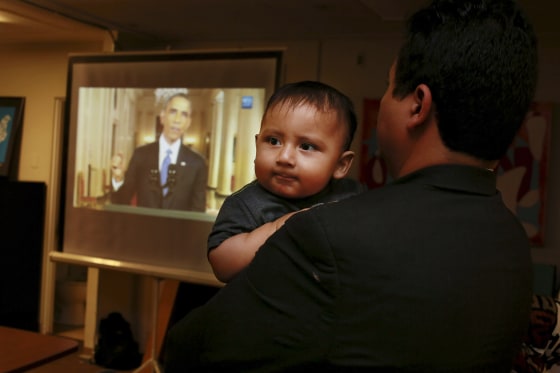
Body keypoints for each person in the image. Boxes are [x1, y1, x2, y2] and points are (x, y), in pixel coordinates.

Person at [164, 0, 538, 371]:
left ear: (417, 105)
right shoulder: (510, 240)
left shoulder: (328, 234)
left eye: (389, 87)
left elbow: (189, 351)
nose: (286, 156)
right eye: (273, 141)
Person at [207, 81, 364, 283]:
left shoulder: (350, 196)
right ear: (257, 144)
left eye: (306, 146)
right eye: (273, 141)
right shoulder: (246, 204)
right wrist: (281, 226)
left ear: (340, 165)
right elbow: (222, 265)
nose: (284, 157)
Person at [110, 93, 207, 212]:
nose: (177, 119)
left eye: (184, 114)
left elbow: (197, 213)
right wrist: (118, 179)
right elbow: (122, 202)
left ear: (188, 122)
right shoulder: (140, 155)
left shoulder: (197, 163)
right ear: (162, 117)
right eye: (173, 112)